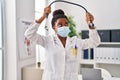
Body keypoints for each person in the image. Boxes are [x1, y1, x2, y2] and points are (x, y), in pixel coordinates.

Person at [24, 6, 100, 80]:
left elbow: (94, 42)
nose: (64, 27)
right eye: (60, 25)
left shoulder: (75, 41)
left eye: (66, 24)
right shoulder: (48, 41)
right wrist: (43, 16)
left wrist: (90, 24)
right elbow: (29, 34)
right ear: (54, 27)